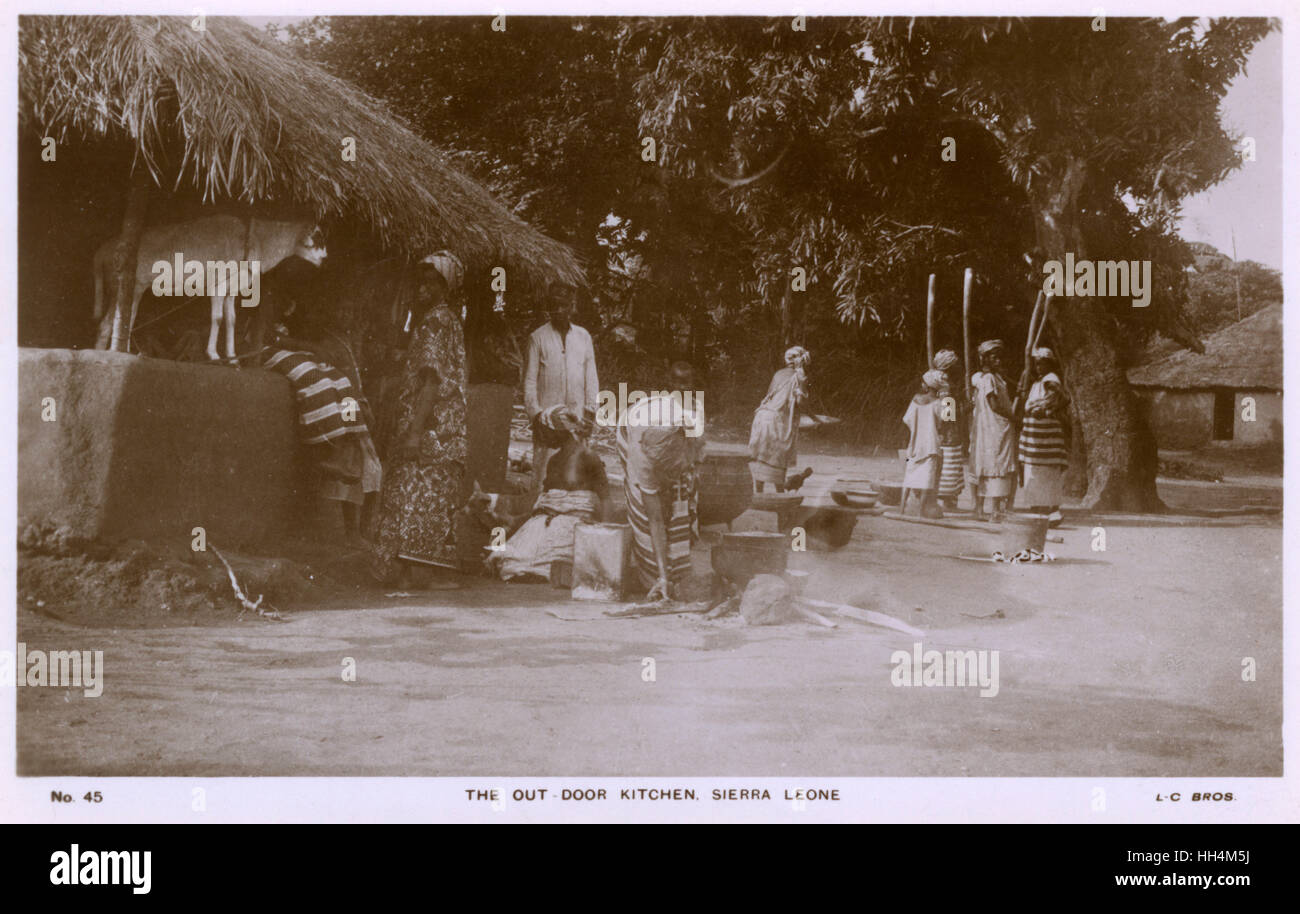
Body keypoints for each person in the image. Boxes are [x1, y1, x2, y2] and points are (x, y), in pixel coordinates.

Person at [368, 251, 469, 585]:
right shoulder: (448, 320)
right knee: (430, 502)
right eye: (422, 280)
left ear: (446, 286)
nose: (423, 287)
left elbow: (432, 379)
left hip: (429, 430)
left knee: (409, 496)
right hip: (445, 431)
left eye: (432, 281)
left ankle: (404, 573)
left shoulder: (436, 322)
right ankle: (417, 572)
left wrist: (413, 432)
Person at [488, 407, 610, 581]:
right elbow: (543, 502)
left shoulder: (588, 456)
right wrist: (515, 520)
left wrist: (603, 537)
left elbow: (605, 498)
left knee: (541, 564)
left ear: (558, 431)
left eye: (545, 432)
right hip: (544, 523)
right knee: (507, 559)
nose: (542, 438)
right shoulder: (554, 461)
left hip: (573, 524)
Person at [617, 364, 705, 601]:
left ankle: (676, 565)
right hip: (632, 435)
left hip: (670, 438)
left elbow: (695, 451)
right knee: (647, 513)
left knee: (678, 499)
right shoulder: (642, 462)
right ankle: (656, 573)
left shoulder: (689, 416)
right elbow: (655, 520)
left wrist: (683, 472)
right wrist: (663, 577)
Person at [523, 282, 599, 494]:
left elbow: (591, 379)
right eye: (553, 305)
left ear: (571, 306)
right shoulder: (537, 338)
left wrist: (590, 413)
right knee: (544, 482)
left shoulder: (583, 337)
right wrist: (537, 417)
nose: (558, 310)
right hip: (548, 423)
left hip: (577, 422)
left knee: (575, 481)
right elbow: (529, 382)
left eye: (563, 305)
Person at [1017, 347, 1071, 521]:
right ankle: (1039, 510)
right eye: (1037, 363)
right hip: (1036, 438)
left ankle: (1050, 510)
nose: (1039, 367)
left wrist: (1045, 409)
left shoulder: (1050, 379)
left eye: (1043, 363)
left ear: (1050, 364)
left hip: (1045, 437)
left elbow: (1061, 397)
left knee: (1047, 474)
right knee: (1036, 473)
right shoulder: (1037, 382)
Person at [748, 346, 810, 492]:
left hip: (762, 416)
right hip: (778, 420)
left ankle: (760, 493)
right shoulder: (799, 376)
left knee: (762, 457)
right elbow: (800, 402)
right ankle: (780, 493)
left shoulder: (778, 374)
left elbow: (770, 396)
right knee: (779, 457)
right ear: (802, 362)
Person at [968, 339, 1017, 520]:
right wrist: (1013, 417)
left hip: (994, 428)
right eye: (994, 358)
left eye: (999, 358)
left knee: (991, 465)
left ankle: (985, 509)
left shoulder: (994, 379)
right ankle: (992, 510)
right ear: (986, 360)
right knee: (995, 465)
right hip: (992, 427)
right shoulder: (987, 379)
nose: (999, 361)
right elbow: (994, 404)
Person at [901, 369, 947, 518]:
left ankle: (902, 509)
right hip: (931, 445)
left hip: (914, 444)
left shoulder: (915, 399)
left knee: (909, 476)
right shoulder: (939, 403)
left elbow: (907, 419)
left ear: (926, 386)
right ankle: (920, 512)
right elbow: (946, 421)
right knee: (927, 480)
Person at [931, 349, 966, 511]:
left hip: (940, 432)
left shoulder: (934, 380)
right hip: (947, 434)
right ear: (949, 368)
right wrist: (965, 410)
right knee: (948, 466)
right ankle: (946, 501)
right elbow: (947, 415)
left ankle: (945, 500)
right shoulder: (945, 385)